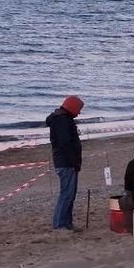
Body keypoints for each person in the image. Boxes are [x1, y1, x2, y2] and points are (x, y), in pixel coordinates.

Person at [45, 95, 83, 231]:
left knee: (70, 194)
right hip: (66, 162)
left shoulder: (64, 119)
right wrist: (74, 152)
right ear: (71, 107)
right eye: (78, 109)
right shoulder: (61, 120)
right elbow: (64, 142)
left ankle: (67, 223)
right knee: (66, 193)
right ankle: (59, 224)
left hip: (69, 161)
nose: (79, 113)